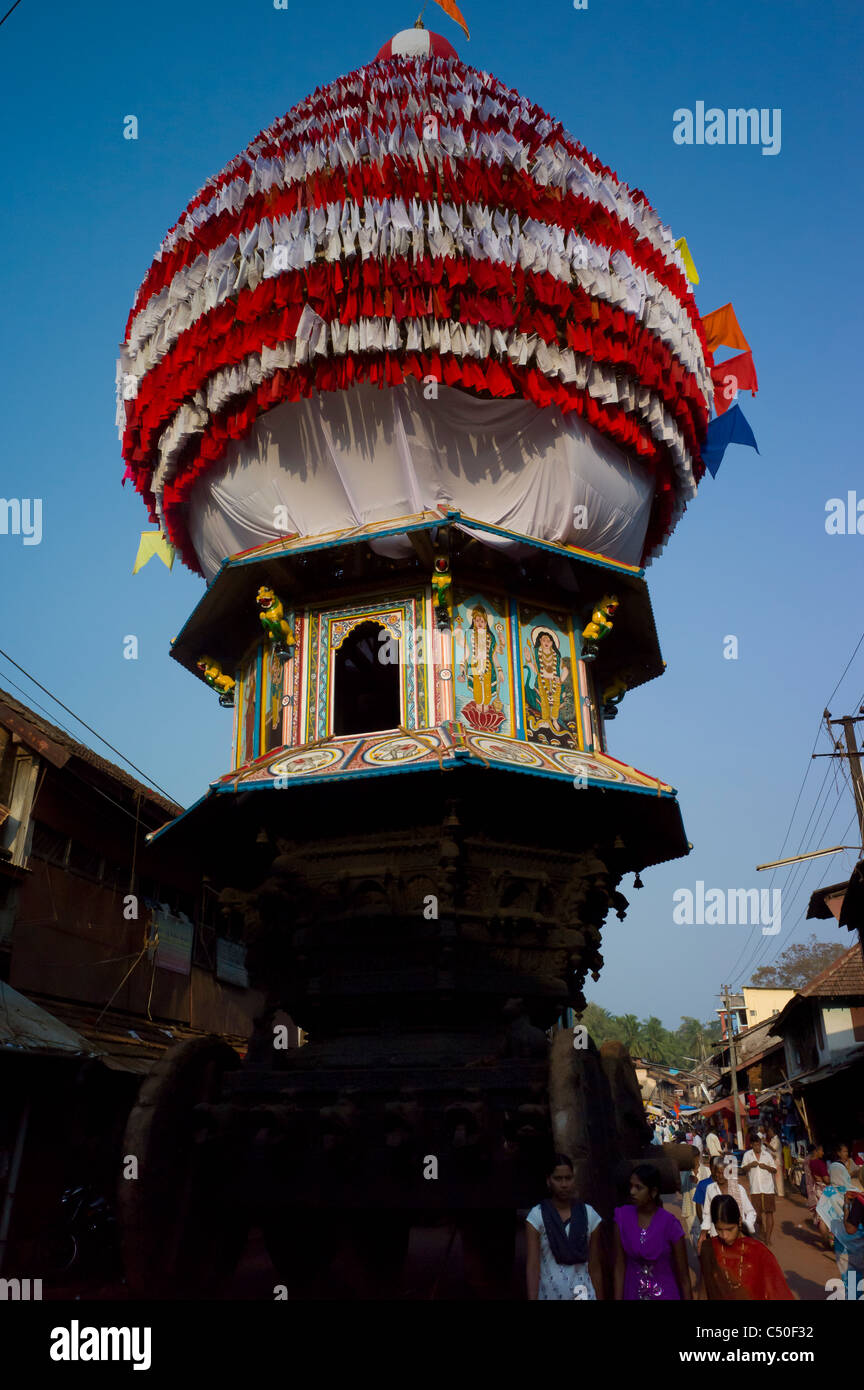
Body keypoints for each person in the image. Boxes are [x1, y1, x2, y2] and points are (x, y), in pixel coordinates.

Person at [525, 1154, 604, 1300]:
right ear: (548, 1181)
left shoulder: (589, 1214)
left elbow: (595, 1266)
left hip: (584, 1294)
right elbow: (533, 1266)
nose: (564, 1184)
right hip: (549, 1294)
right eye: (558, 1179)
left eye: (568, 1178)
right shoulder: (536, 1216)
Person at [613, 1164, 692, 1300]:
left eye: (638, 1187)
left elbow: (683, 1277)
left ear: (653, 1192)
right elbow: (619, 1267)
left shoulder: (670, 1224)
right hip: (632, 1294)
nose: (632, 1192)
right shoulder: (622, 1217)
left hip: (666, 1295)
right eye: (631, 1186)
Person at [700, 1195, 794, 1301]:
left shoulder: (759, 1252)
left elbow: (777, 1291)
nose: (724, 1235)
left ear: (739, 1221)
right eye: (719, 1229)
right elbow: (704, 1288)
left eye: (729, 1229)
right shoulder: (709, 1248)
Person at [815, 1161, 864, 1279]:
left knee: (852, 1277)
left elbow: (849, 1229)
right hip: (859, 1242)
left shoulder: (829, 1193)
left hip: (844, 1242)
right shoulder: (854, 1192)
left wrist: (846, 1206)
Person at [698, 1155, 757, 1242]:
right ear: (714, 1172)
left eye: (723, 1173)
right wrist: (704, 1231)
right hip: (717, 1236)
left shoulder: (738, 1189)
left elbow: (751, 1212)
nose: (721, 1176)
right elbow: (707, 1214)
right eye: (718, 1172)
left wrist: (745, 1226)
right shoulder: (710, 1189)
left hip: (737, 1236)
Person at [741, 1129, 777, 1244]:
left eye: (759, 1144)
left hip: (768, 1188)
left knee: (769, 1212)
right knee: (757, 1215)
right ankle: (761, 1227)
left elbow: (774, 1170)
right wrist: (750, 1165)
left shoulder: (767, 1155)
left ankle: (768, 1238)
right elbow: (743, 1169)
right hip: (755, 1188)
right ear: (751, 1145)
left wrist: (766, 1167)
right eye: (755, 1145)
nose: (758, 1147)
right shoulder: (747, 1155)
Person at [766, 1123, 785, 1198]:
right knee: (774, 1179)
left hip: (777, 1161)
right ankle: (777, 1192)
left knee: (778, 1179)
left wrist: (767, 1144)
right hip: (773, 1162)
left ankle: (781, 1193)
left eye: (770, 1131)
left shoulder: (777, 1140)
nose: (768, 1133)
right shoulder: (772, 1140)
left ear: (773, 1131)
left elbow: (774, 1149)